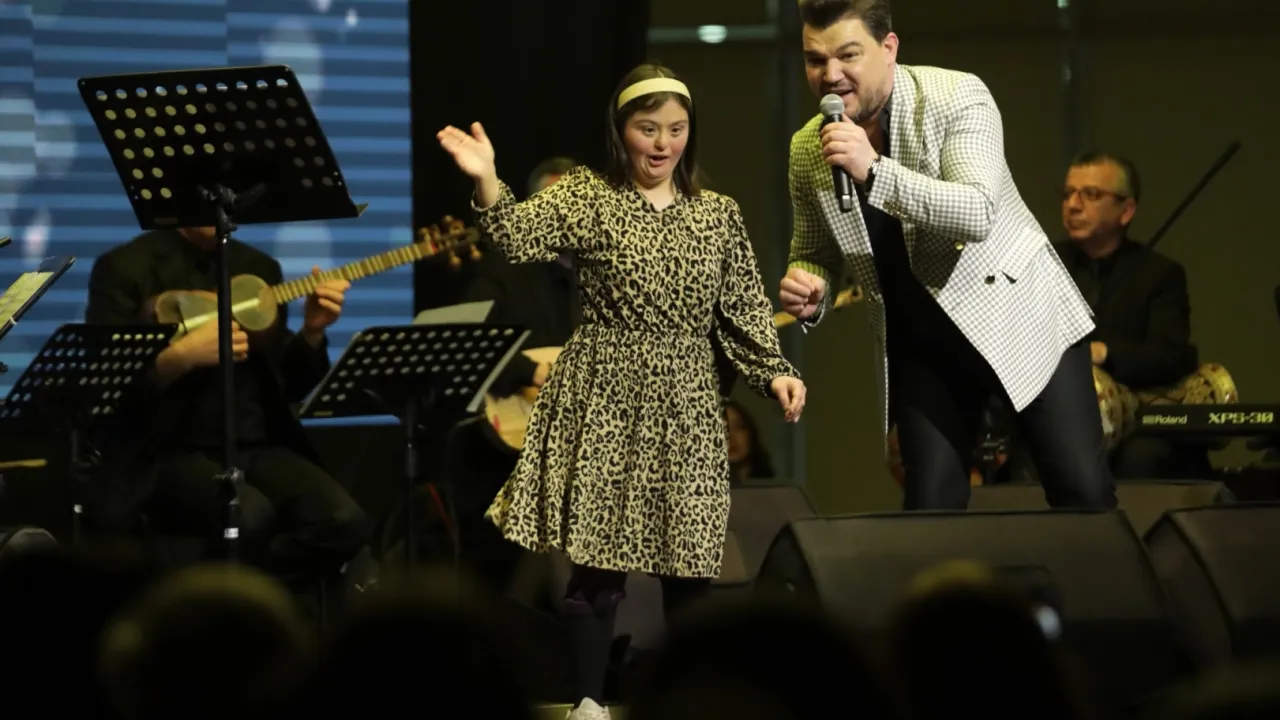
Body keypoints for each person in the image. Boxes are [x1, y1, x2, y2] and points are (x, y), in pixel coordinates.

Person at [438, 63, 806, 719]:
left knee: (689, 559)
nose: (663, 144)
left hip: (688, 398)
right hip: (605, 389)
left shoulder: (717, 214)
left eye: (676, 129)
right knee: (598, 558)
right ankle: (589, 702)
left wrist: (774, 371)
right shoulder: (591, 196)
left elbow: (744, 311)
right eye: (647, 128)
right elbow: (517, 237)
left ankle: (689, 698)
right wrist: (488, 179)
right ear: (621, 131)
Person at [778, 0, 1116, 511]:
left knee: (1083, 494)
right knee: (930, 510)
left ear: (888, 48)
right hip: (923, 344)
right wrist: (809, 287)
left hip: (1018, 317)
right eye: (814, 60)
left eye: (848, 55)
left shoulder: (957, 95)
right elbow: (813, 251)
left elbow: (977, 211)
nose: (830, 75)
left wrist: (875, 170)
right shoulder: (808, 149)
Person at [84, 226, 369, 587]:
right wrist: (180, 358)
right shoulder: (125, 267)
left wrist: (312, 332)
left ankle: (241, 593)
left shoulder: (259, 267)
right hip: (164, 451)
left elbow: (290, 385)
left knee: (343, 521)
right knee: (248, 516)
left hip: (255, 444)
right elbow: (105, 389)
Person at [448, 156, 583, 593]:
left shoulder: (604, 278)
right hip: (508, 452)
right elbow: (466, 343)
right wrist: (532, 370)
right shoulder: (504, 270)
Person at [1055, 152, 1209, 479]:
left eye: (1091, 194)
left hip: (1136, 425)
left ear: (1125, 211)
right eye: (1068, 194)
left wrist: (1104, 353)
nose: (1073, 205)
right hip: (1057, 417)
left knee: (1144, 458)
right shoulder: (1042, 265)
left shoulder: (1160, 274)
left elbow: (1172, 356)